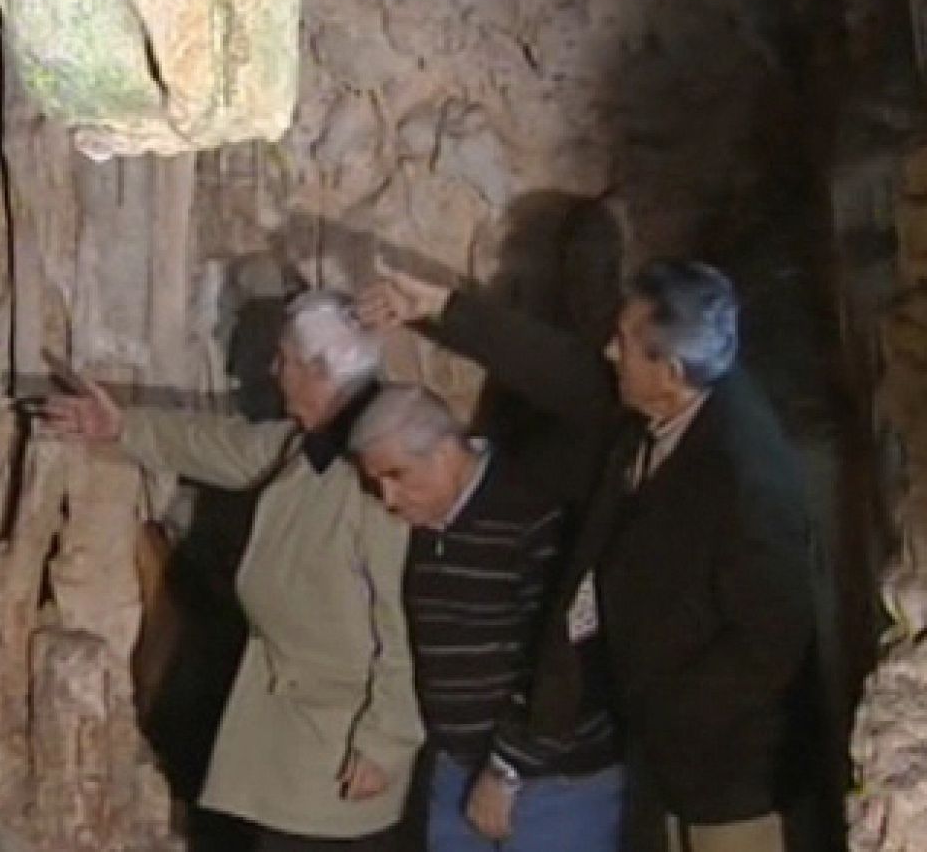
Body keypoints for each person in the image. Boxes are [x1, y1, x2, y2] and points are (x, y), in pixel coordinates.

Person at [360, 259, 815, 852]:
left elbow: (771, 642)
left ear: (670, 371)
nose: (607, 351)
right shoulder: (665, 409)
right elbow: (564, 371)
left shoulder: (747, 483)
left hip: (730, 776)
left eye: (623, 343)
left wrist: (654, 703)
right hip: (659, 758)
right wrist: (445, 311)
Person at [42, 291, 423, 851]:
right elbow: (222, 446)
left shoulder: (376, 475)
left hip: (342, 743)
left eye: (285, 360)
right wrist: (121, 428)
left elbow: (406, 621)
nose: (274, 372)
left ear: (320, 371)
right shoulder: (309, 446)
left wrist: (386, 741)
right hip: (292, 726)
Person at [348, 385, 624, 852]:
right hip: (457, 768)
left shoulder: (531, 513)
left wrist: (507, 768)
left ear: (443, 452)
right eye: (378, 483)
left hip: (552, 782)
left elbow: (562, 661)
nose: (389, 499)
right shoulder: (421, 527)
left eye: (398, 475)